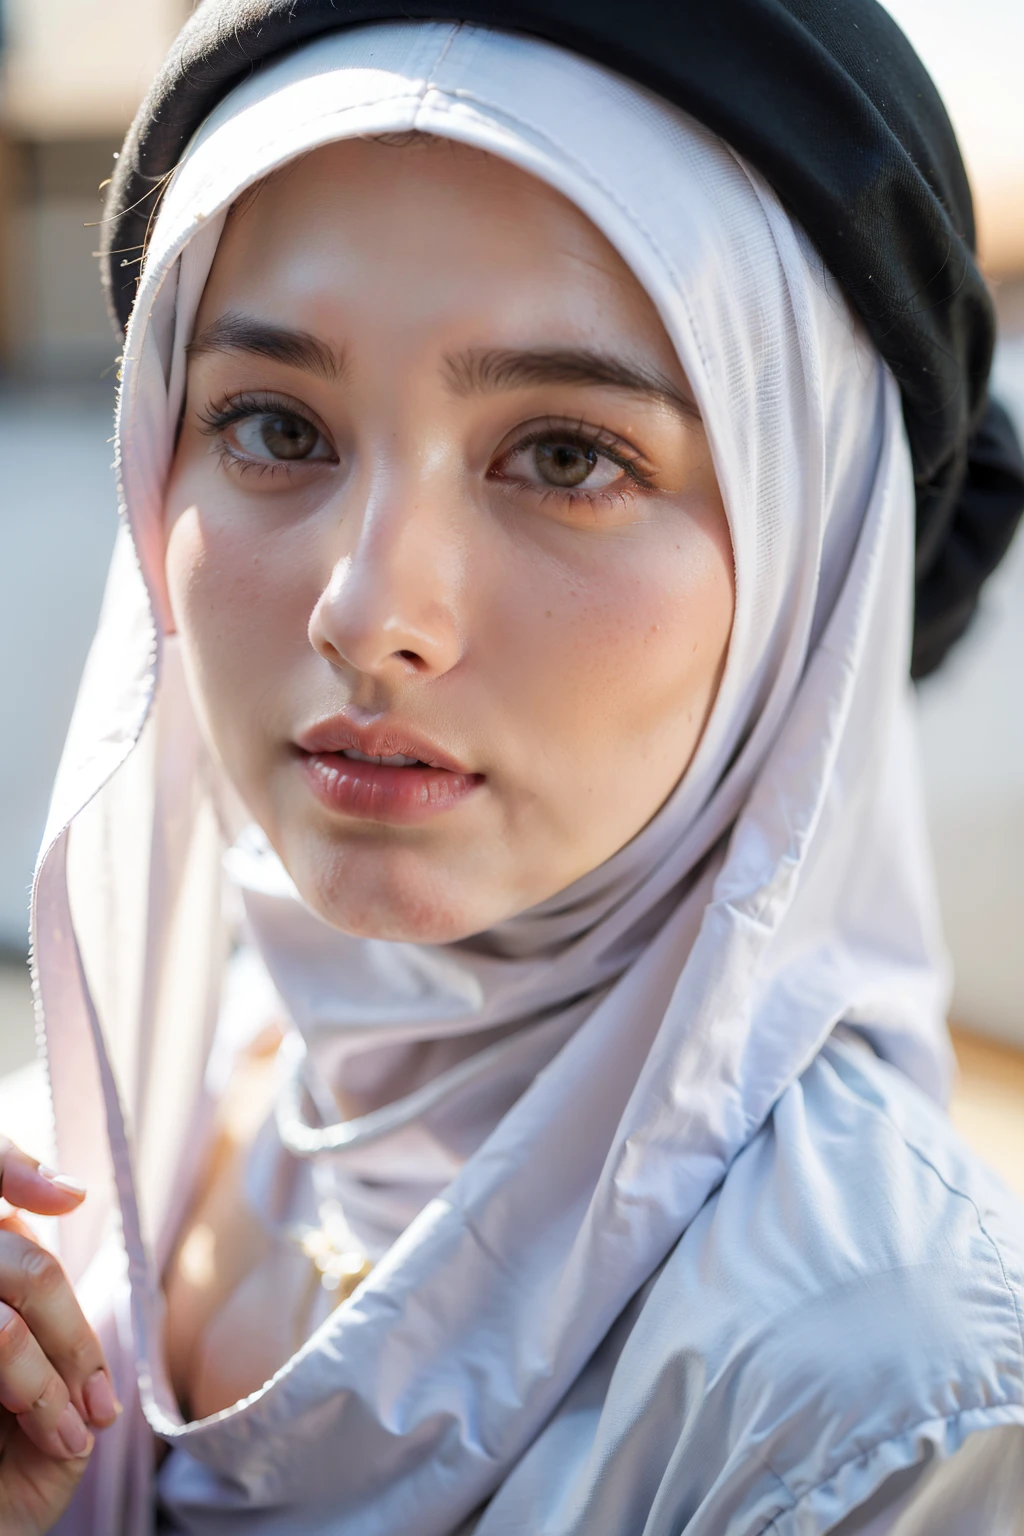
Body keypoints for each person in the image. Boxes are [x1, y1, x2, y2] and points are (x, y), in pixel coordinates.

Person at [5, 6, 1024, 1533]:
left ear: (817, 551)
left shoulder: (871, 1406)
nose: (368, 614)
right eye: (274, 424)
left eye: (565, 457)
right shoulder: (119, 1123)